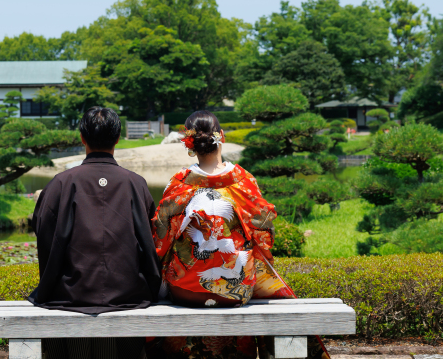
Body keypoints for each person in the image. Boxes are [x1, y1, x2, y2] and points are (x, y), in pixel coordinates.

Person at [146, 110, 330, 359]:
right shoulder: (243, 182)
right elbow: (265, 235)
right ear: (220, 136)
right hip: (237, 290)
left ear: (189, 146)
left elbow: (159, 239)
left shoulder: (179, 184)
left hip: (186, 292)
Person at [30, 106, 162, 359]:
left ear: (82, 138)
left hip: (70, 294)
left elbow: (44, 231)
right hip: (128, 293)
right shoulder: (135, 183)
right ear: (117, 139)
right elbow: (150, 239)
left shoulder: (61, 183)